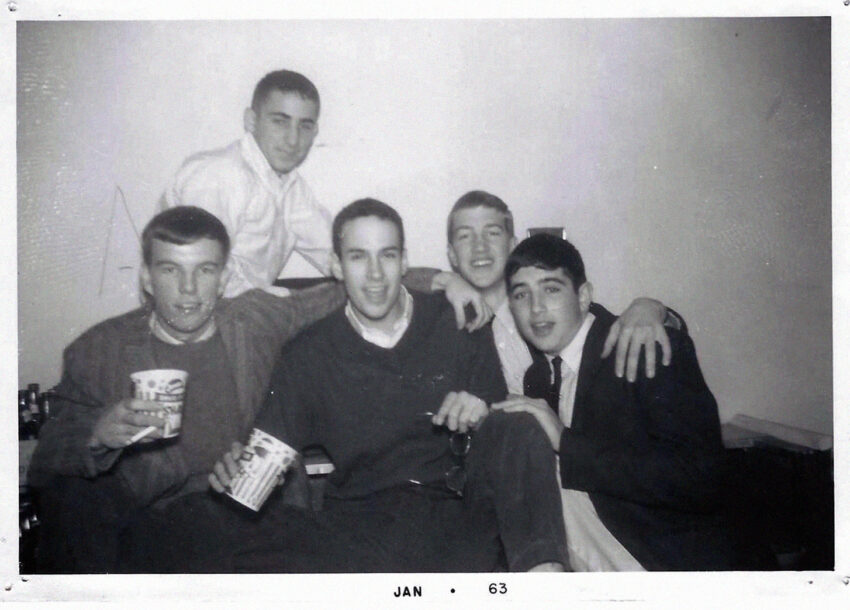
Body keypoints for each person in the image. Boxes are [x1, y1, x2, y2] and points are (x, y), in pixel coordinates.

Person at [126, 199, 569, 573]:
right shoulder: (308, 354)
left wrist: (481, 412)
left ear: (405, 261)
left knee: (520, 425)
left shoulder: (456, 322)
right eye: (358, 257)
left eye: (387, 255)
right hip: (360, 534)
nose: (375, 275)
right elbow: (260, 473)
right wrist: (234, 481)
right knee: (194, 519)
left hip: (458, 519)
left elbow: (506, 445)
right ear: (337, 265)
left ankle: (547, 585)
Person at [493, 233, 735, 570]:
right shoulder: (537, 377)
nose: (536, 308)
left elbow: (702, 480)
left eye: (551, 289)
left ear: (583, 296)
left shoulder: (644, 345)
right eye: (521, 295)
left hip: (668, 563)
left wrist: (565, 442)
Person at [445, 190, 684, 395]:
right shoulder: (448, 319)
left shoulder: (544, 306)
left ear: (512, 245)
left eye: (492, 232)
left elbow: (608, 324)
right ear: (452, 255)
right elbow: (407, 283)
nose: (479, 246)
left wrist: (652, 308)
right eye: (465, 236)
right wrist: (442, 278)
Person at [161, 69, 332, 298]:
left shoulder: (290, 185)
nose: (293, 140)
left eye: (305, 126)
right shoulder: (220, 174)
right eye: (280, 122)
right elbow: (203, 273)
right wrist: (280, 304)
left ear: (315, 132)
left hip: (244, 308)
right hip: (196, 314)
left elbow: (332, 251)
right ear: (251, 121)